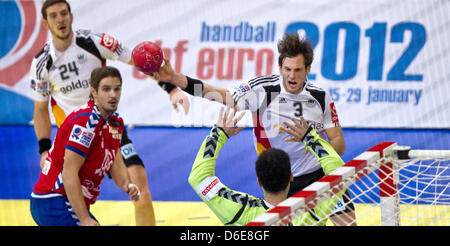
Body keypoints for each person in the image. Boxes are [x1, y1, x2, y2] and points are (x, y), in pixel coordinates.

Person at [152, 32, 355, 225]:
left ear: (308, 69)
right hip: (284, 183)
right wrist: (176, 79)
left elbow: (339, 145)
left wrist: (309, 142)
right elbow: (217, 94)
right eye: (287, 69)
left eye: (298, 70)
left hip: (319, 175)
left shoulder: (321, 98)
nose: (292, 76)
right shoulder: (261, 89)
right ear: (280, 66)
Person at [30, 0, 188, 226]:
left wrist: (170, 88)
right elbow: (40, 109)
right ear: (46, 23)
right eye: (54, 16)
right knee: (68, 186)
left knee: (140, 190)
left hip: (107, 126)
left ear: (71, 16)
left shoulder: (92, 42)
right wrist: (44, 148)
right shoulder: (42, 63)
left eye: (64, 13)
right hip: (77, 134)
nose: (60, 19)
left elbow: (138, 60)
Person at [188, 106, 345, 226]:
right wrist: (309, 137)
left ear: (259, 181)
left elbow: (199, 178)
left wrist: (219, 134)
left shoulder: (240, 211)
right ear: (291, 176)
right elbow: (338, 169)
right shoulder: (310, 214)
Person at [30, 66, 140, 226]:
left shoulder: (115, 122)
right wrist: (84, 219)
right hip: (53, 200)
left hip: (67, 202)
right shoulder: (87, 121)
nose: (113, 95)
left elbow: (114, 160)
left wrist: (127, 184)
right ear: (94, 91)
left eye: (117, 89)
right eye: (106, 89)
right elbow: (69, 173)